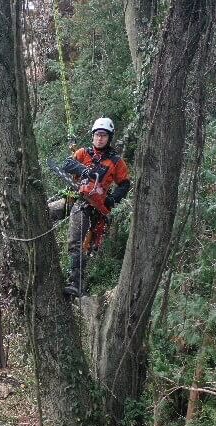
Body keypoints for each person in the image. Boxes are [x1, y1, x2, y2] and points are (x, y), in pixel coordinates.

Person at [57, 117, 131, 298]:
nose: (100, 138)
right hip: (73, 198)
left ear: (109, 138)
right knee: (44, 211)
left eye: (103, 135)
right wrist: (82, 170)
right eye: (97, 135)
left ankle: (76, 282)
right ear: (93, 136)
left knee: (76, 241)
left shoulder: (114, 161)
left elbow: (125, 183)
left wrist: (112, 199)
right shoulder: (83, 153)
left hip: (90, 207)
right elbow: (67, 164)